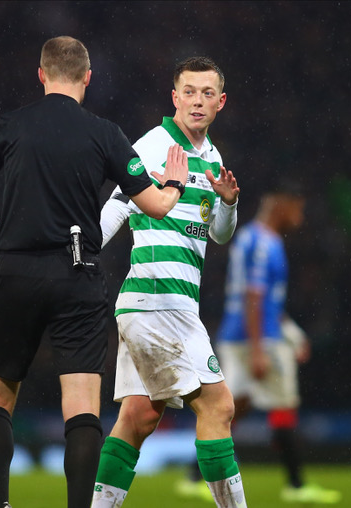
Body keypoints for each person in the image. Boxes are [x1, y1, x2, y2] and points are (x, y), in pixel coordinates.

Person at [0, 36, 188, 508]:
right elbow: (158, 206)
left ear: (41, 74)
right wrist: (175, 181)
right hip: (78, 274)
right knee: (80, 407)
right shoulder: (104, 133)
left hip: (16, 272)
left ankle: (0, 504)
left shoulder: (12, 125)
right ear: (88, 78)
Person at [91, 57, 248, 508]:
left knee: (138, 417)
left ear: (220, 102)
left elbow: (218, 235)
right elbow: (118, 204)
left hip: (164, 303)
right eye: (189, 92)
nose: (197, 101)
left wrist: (229, 204)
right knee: (219, 407)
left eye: (207, 93)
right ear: (174, 97)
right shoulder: (154, 145)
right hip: (158, 299)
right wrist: (82, 253)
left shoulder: (212, 157)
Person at [212, 183, 341, 504]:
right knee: (283, 404)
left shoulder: (248, 237)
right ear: (279, 204)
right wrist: (259, 349)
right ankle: (296, 485)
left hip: (237, 333)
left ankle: (194, 476)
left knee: (233, 407)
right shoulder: (264, 244)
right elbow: (254, 297)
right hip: (258, 337)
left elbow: (264, 298)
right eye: (297, 207)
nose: (300, 216)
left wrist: (292, 332)